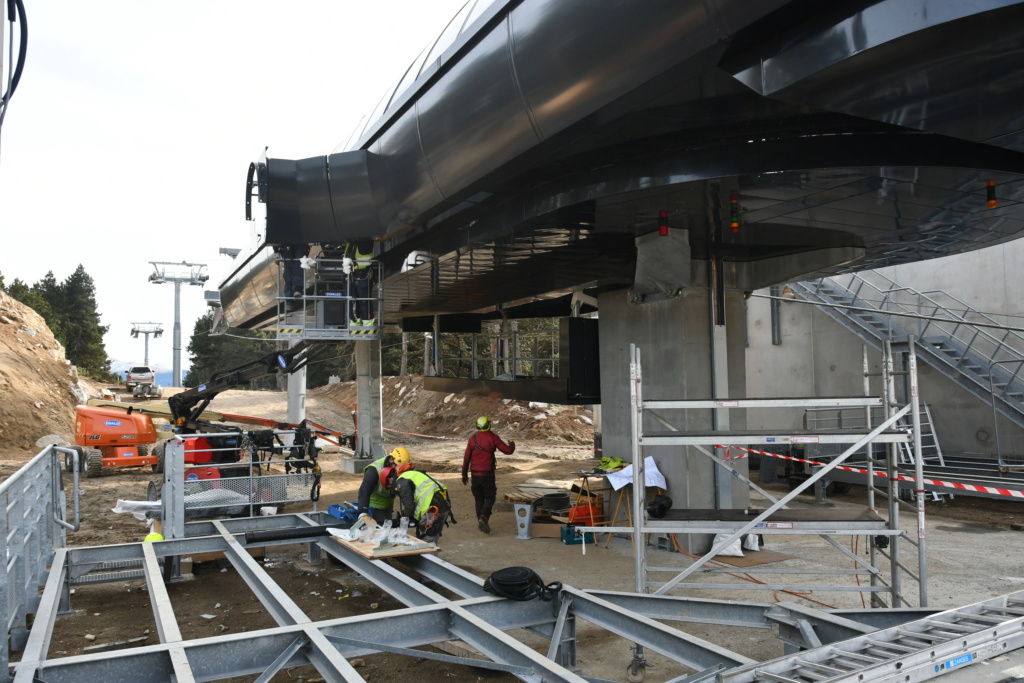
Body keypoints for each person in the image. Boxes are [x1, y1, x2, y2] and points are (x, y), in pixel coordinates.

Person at [462, 416, 515, 534]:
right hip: (488, 475)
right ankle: (484, 518)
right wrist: (512, 445)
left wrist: (464, 474)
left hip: (475, 474)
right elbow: (508, 451)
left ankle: (480, 520)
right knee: (490, 497)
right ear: (488, 425)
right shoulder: (493, 437)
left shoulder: (472, 439)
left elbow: (466, 459)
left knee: (478, 498)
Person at [386, 463, 451, 544]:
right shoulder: (414, 474)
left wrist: (404, 517)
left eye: (389, 484)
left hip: (433, 507)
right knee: (431, 536)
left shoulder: (402, 480)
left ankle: (428, 556)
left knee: (427, 540)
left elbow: (409, 506)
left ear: (390, 479)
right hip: (443, 503)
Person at [356, 447, 411, 524]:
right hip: (375, 507)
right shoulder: (374, 470)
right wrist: (363, 513)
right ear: (391, 460)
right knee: (379, 530)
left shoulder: (399, 469)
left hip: (388, 505)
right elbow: (364, 490)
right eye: (398, 467)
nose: (399, 472)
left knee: (387, 528)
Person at [344, 237, 375, 325]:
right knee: (360, 299)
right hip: (356, 274)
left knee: (358, 299)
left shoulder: (355, 242)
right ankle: (364, 321)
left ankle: (361, 321)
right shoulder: (355, 242)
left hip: (360, 274)